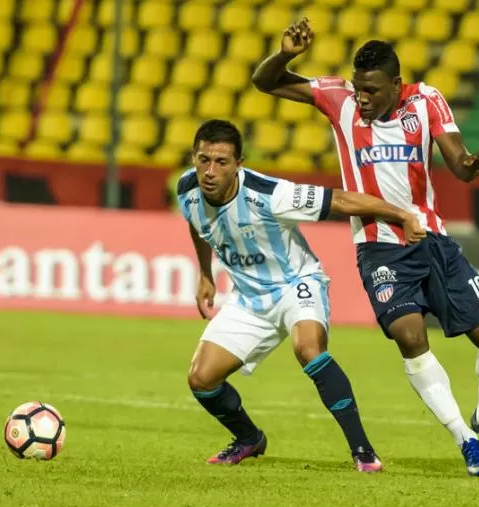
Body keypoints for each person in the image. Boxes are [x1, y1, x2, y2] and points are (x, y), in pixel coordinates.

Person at [251, 20, 479, 477]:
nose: (363, 98)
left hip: (432, 240)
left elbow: (459, 163)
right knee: (410, 337)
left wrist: (473, 165)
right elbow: (265, 82)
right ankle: (464, 437)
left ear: (396, 85)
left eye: (372, 90)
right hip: (379, 248)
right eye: (359, 89)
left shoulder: (427, 100)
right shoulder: (339, 100)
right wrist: (286, 54)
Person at [180, 119, 426, 473]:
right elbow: (197, 222)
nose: (210, 171)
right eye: (204, 160)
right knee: (201, 379)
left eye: (221, 162)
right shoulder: (187, 189)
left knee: (308, 349)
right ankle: (249, 438)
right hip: (249, 298)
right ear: (193, 157)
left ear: (239, 164)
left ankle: (363, 451)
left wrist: (402, 215)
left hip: (297, 284)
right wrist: (205, 273)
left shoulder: (270, 194)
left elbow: (339, 200)